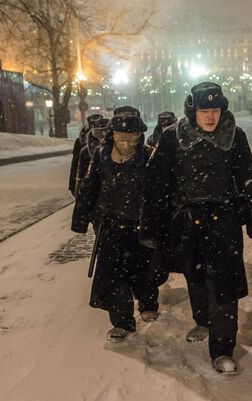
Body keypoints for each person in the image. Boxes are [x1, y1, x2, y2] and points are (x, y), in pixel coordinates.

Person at [142, 82, 252, 374]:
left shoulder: (235, 137)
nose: (211, 117)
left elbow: (249, 178)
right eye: (204, 110)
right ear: (193, 111)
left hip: (223, 221)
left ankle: (223, 350)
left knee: (225, 286)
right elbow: (156, 185)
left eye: (216, 110)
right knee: (195, 276)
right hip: (186, 221)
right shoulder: (173, 137)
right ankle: (203, 320)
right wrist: (151, 226)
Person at [71, 106, 160, 343]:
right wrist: (81, 219)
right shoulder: (101, 156)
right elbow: (89, 188)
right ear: (113, 136)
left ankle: (148, 302)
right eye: (122, 139)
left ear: (140, 137)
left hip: (141, 225)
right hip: (111, 225)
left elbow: (160, 192)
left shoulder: (150, 156)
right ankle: (121, 321)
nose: (128, 144)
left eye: (133, 139)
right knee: (113, 275)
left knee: (144, 270)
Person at [69, 114, 103, 196]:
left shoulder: (106, 138)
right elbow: (76, 163)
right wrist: (73, 184)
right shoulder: (81, 142)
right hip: (86, 179)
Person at [74, 117, 110, 197]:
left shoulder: (116, 150)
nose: (102, 139)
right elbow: (80, 174)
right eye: (100, 135)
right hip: (92, 194)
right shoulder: (86, 151)